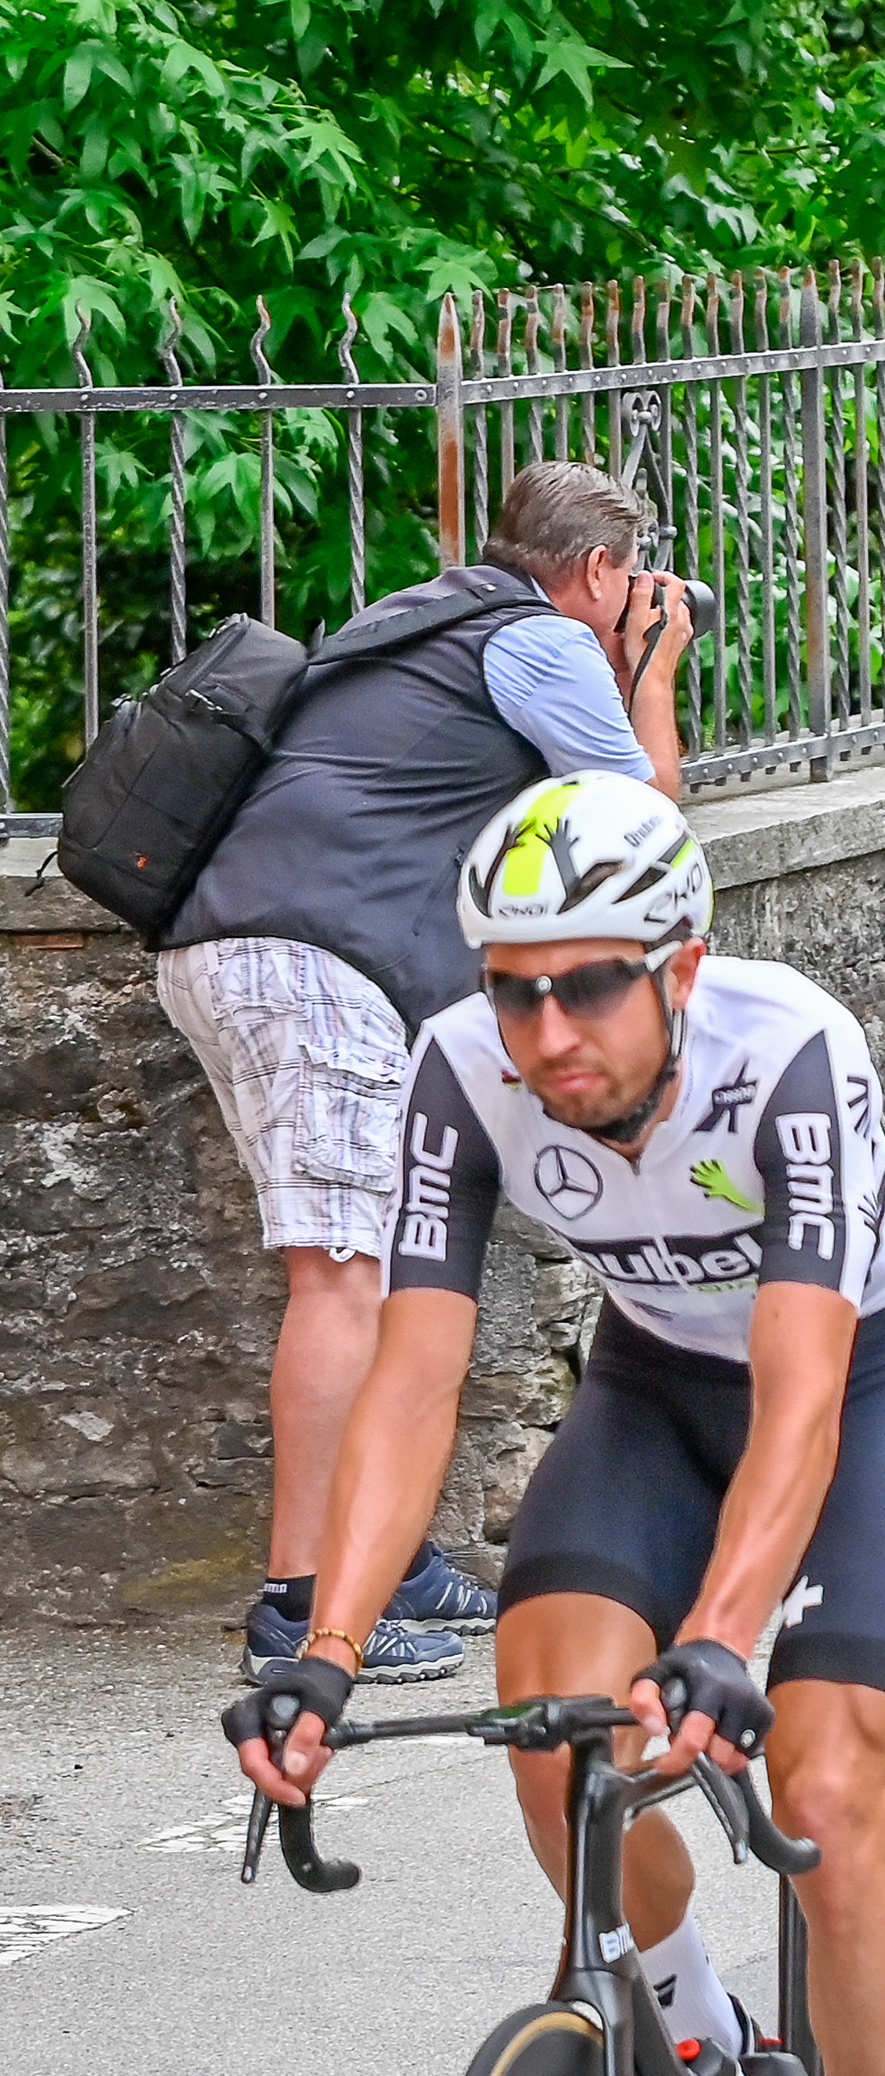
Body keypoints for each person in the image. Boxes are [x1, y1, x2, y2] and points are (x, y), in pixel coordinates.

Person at [228, 777, 885, 2076]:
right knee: (553, 1731)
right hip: (651, 1386)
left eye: (586, 984)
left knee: (828, 1789)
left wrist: (717, 1644)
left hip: (865, 1376)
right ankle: (715, 2059)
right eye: (513, 986)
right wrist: (328, 1643)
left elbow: (806, 1399)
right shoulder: (462, 1073)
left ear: (680, 969)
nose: (545, 1029)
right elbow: (416, 1376)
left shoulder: (788, 1053)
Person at [161, 460, 693, 1687]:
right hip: (315, 958)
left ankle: (386, 1560)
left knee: (387, 1258)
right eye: (630, 578)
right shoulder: (542, 642)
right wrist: (651, 672)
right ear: (602, 569)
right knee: (343, 1275)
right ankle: (300, 1603)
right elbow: (643, 817)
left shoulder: (422, 613)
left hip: (261, 943)